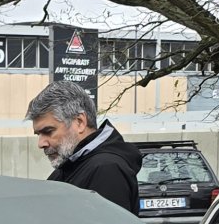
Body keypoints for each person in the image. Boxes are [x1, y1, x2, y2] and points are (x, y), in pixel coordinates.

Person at [25, 82, 141, 213]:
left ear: (80, 122)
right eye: (38, 134)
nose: (41, 144)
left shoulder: (106, 169)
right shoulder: (70, 167)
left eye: (48, 131)